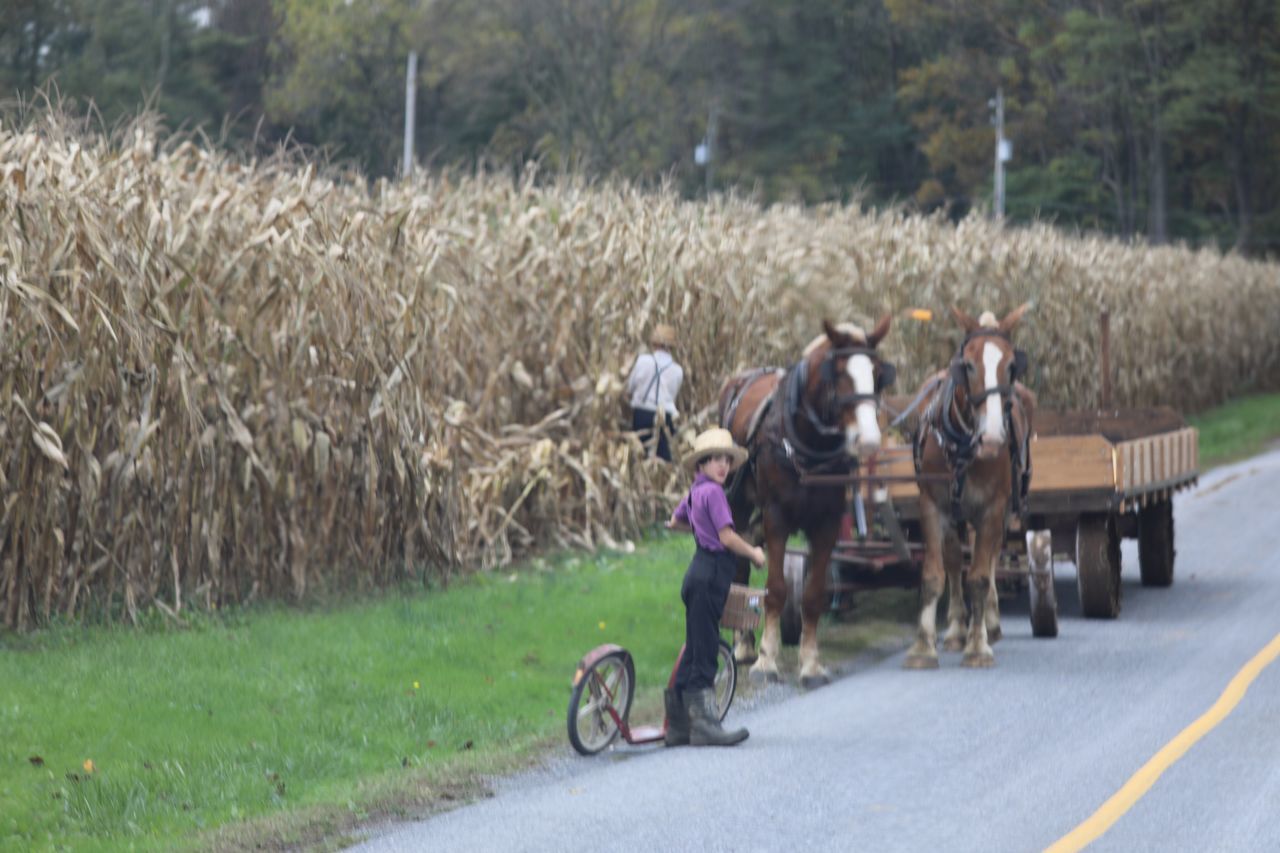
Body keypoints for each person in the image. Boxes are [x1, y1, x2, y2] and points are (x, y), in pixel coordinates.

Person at [664, 428, 765, 747]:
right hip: (711, 575)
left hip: (697, 572)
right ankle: (706, 725)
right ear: (701, 465)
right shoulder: (716, 494)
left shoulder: (695, 492)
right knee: (706, 650)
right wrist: (754, 553)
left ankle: (678, 726)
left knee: (694, 647)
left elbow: (675, 522)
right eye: (714, 460)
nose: (722, 466)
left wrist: (699, 529)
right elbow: (727, 537)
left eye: (726, 460)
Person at [626, 323, 683, 461]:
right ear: (671, 348)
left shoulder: (643, 361)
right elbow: (672, 397)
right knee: (662, 462)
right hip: (665, 417)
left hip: (641, 414)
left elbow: (630, 388)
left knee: (638, 458)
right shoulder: (677, 370)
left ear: (654, 343)